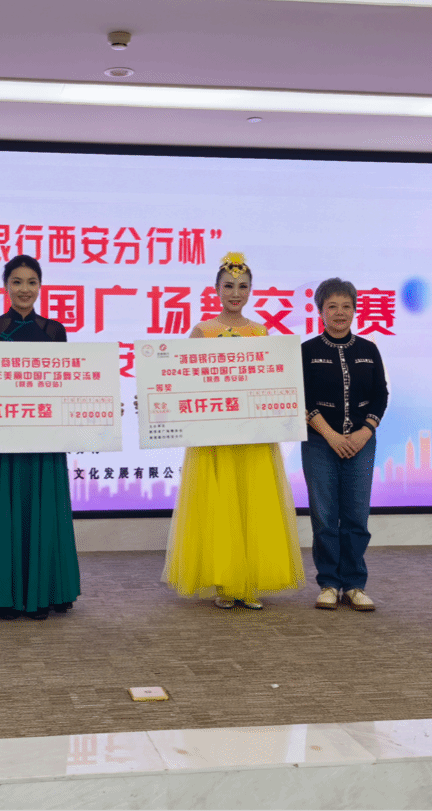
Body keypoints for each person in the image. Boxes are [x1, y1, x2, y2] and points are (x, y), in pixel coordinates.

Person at [162, 252, 305, 610]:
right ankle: (226, 582)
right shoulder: (203, 331)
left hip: (253, 438)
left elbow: (273, 381)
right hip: (215, 438)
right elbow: (183, 380)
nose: (235, 293)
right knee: (221, 505)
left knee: (253, 504)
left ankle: (250, 581)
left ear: (251, 290)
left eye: (242, 287)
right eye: (228, 286)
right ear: (216, 290)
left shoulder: (260, 332)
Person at [0, 255, 82, 620]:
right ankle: (4, 597)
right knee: (3, 513)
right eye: (17, 282)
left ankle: (42, 593)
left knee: (43, 511)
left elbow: (65, 384)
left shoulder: (54, 330)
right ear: (6, 286)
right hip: (1, 442)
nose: (25, 289)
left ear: (40, 286)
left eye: (32, 282)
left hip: (44, 441)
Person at [300, 277, 389, 612]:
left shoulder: (368, 349)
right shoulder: (307, 351)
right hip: (319, 442)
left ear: (355, 310)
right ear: (320, 311)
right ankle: (328, 584)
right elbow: (302, 398)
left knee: (356, 516)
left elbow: (380, 395)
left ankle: (354, 585)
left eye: (346, 306)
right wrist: (331, 435)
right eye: (332, 306)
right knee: (324, 516)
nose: (340, 313)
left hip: (361, 443)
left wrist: (365, 432)